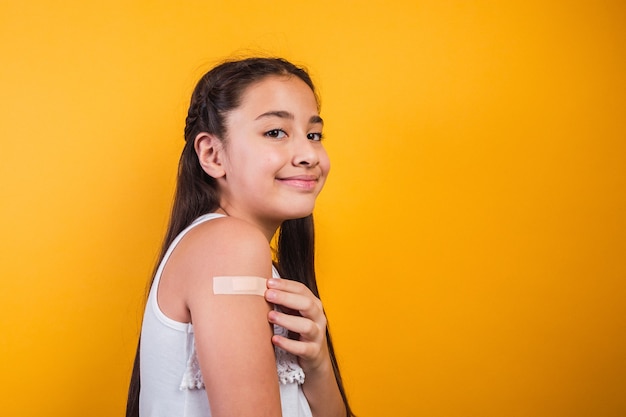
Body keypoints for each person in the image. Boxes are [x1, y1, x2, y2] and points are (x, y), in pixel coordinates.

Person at [126, 57, 354, 417]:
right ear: (212, 154)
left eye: (313, 135)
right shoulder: (229, 246)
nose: (309, 154)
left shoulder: (241, 252)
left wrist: (318, 364)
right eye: (275, 132)